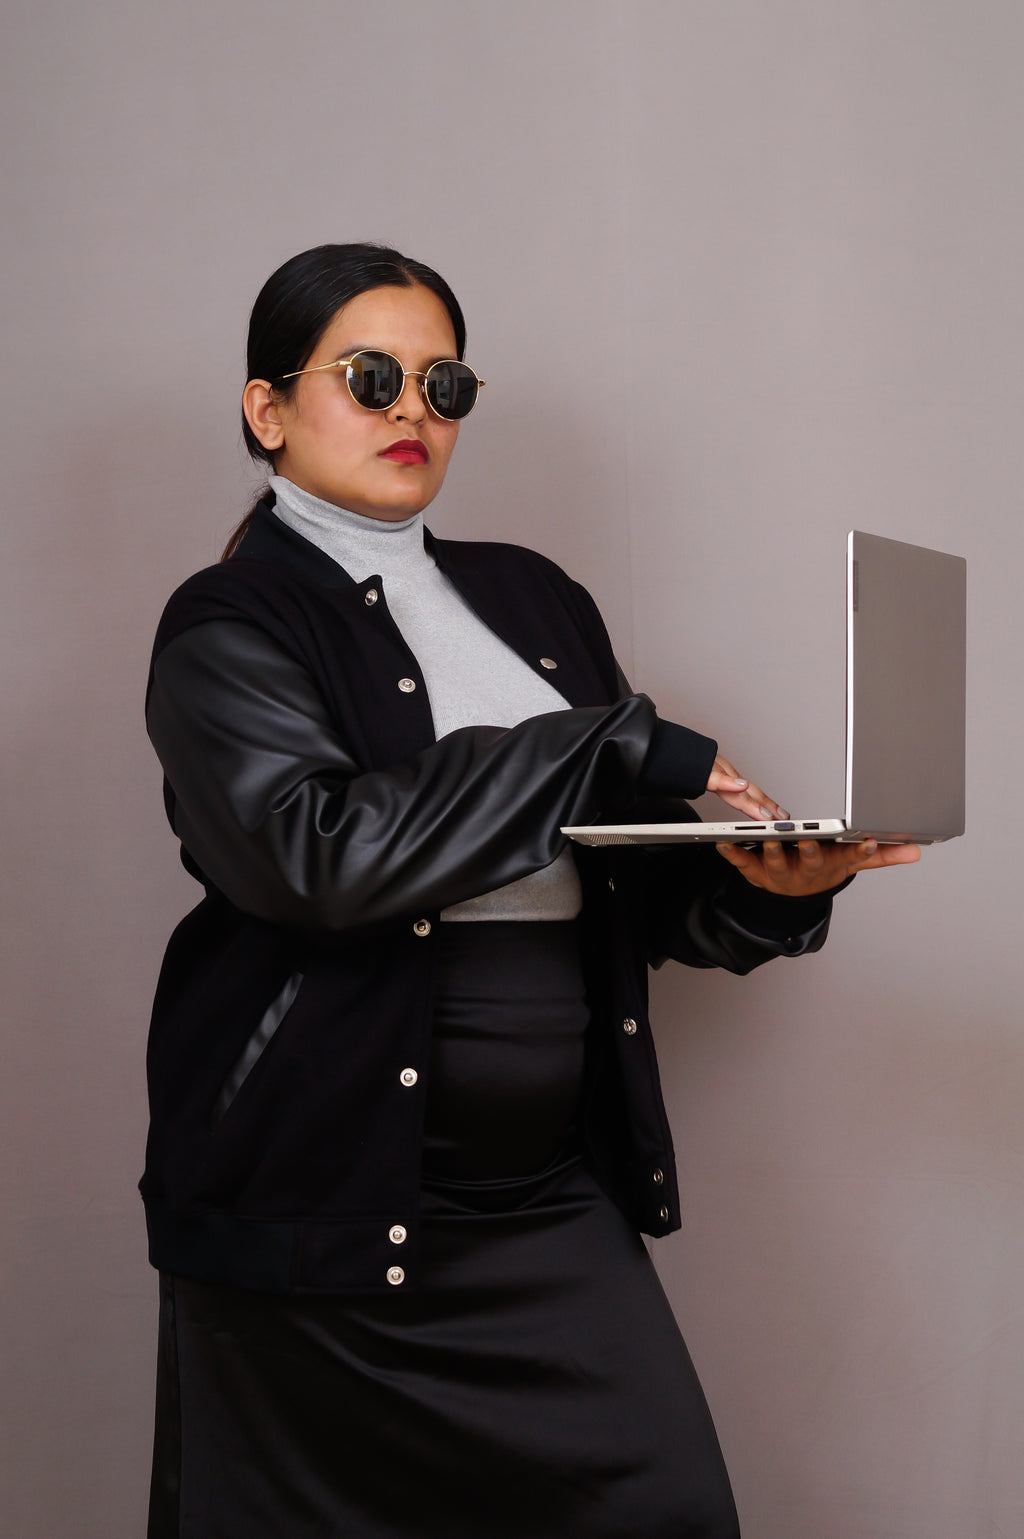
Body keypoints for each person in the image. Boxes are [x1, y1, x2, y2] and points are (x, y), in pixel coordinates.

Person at [142, 243, 919, 1539]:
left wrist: (776, 888)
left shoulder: (535, 599)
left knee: (666, 1509)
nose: (412, 411)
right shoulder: (232, 621)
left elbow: (636, 896)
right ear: (265, 409)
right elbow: (314, 856)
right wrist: (602, 743)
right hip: (320, 1206)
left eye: (443, 385)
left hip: (545, 1202)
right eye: (372, 376)